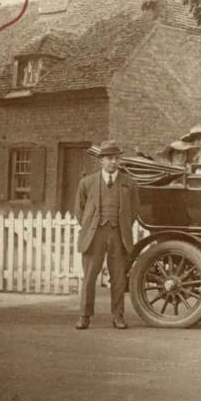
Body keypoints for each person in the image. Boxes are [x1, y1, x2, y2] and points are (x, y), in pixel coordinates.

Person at [74, 140, 137, 331]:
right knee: (90, 276)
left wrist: (122, 226)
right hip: (95, 235)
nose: (113, 162)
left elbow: (133, 211)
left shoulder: (129, 183)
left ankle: (118, 316)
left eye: (117, 158)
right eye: (109, 158)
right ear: (101, 160)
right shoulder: (87, 183)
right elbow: (80, 211)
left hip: (119, 235)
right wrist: (92, 226)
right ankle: (84, 316)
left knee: (118, 277)